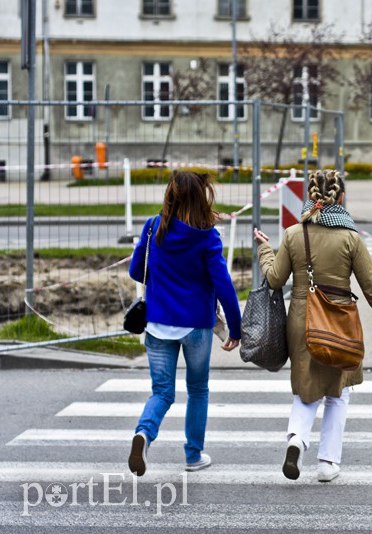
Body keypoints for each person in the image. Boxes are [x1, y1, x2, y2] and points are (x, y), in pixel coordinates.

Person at [253, 169, 372, 483]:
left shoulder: (293, 233)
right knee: (338, 392)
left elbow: (275, 279)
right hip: (339, 321)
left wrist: (264, 249)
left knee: (306, 388)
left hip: (302, 319)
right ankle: (328, 463)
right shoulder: (351, 238)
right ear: (340, 197)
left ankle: (296, 442)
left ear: (311, 197)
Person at [127, 170, 242, 477]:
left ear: (170, 195)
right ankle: (193, 455)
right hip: (196, 327)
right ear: (200, 198)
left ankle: (143, 434)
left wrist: (164, 279)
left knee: (162, 392)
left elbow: (136, 271)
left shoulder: (153, 228)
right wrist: (235, 327)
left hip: (157, 323)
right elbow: (223, 284)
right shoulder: (207, 237)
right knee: (198, 390)